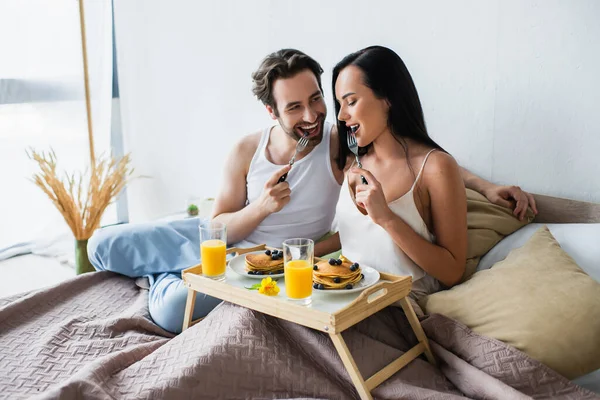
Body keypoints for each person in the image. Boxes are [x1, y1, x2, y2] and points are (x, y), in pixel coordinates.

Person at [88, 48, 537, 333]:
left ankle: (160, 274)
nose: (318, 114)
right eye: (296, 106)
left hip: (268, 263)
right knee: (102, 246)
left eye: (319, 99)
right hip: (214, 235)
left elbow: (427, 160)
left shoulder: (341, 142)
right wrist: (261, 206)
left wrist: (486, 185)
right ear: (271, 111)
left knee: (169, 314)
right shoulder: (249, 150)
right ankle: (168, 260)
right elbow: (220, 222)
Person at [331, 45, 478, 298]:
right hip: (341, 299)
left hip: (398, 310)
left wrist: (387, 219)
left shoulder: (435, 167)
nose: (343, 115)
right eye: (339, 104)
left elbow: (453, 272)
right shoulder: (352, 163)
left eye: (351, 101)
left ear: (387, 98)